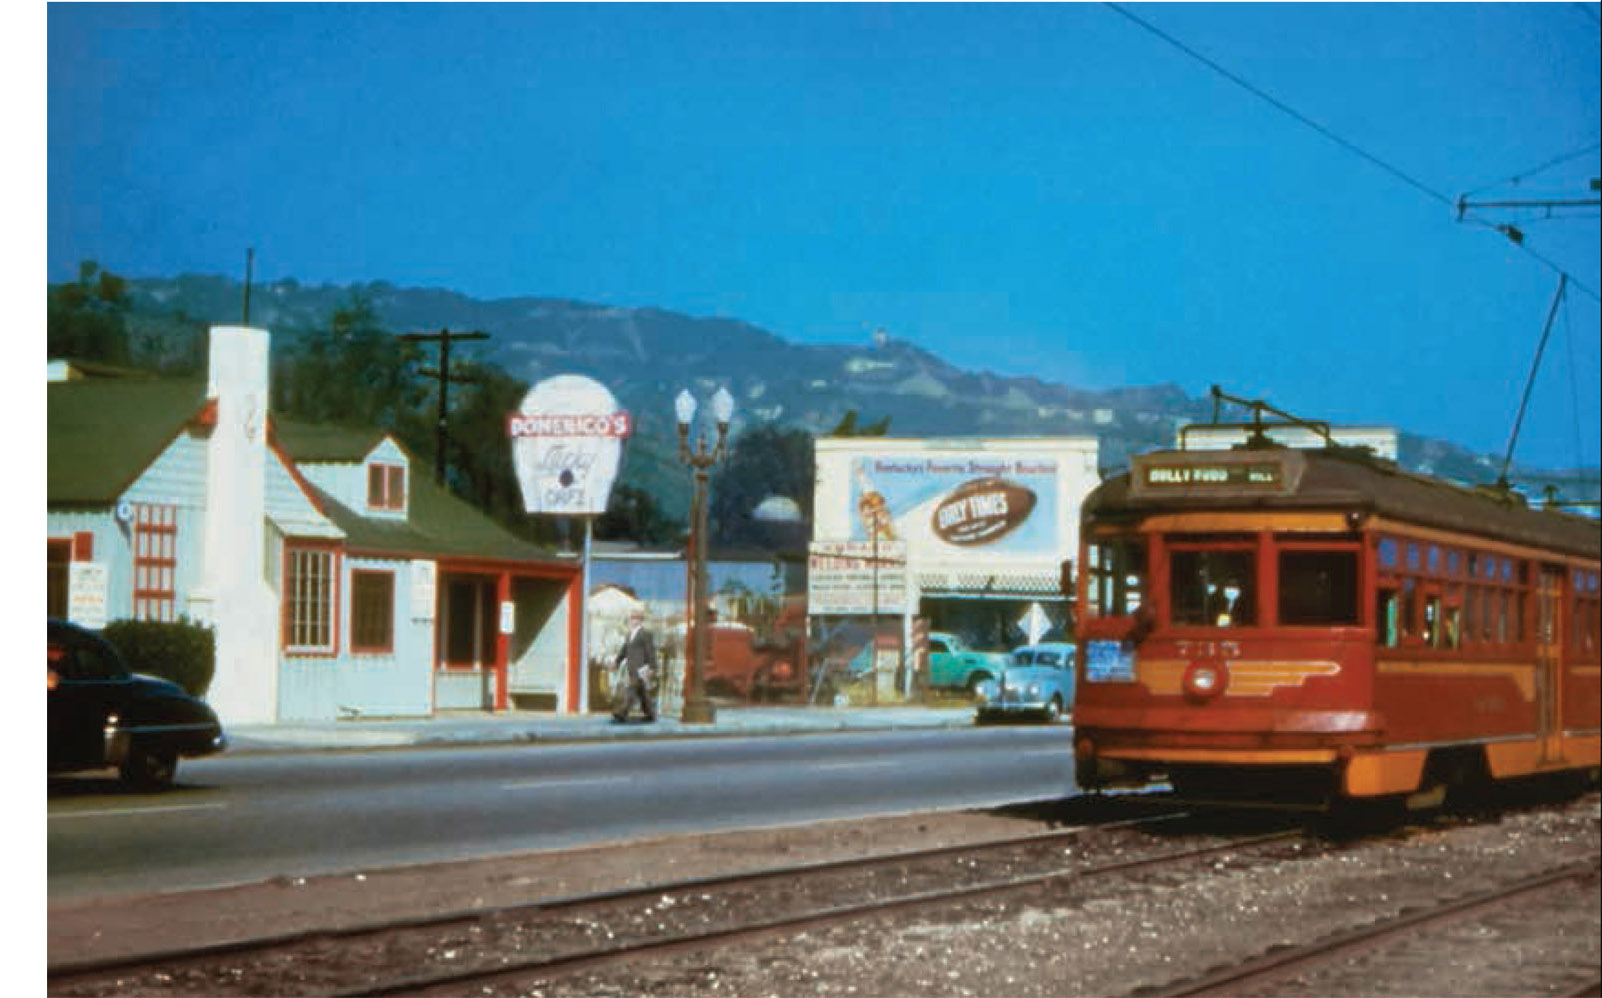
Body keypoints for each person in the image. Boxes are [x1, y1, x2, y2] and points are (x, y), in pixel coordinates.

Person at [612, 609, 658, 723]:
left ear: (641, 621)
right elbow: (624, 650)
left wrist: (652, 667)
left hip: (641, 668)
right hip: (631, 667)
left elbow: (650, 651)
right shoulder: (629, 635)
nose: (633, 621)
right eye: (632, 618)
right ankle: (650, 714)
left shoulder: (645, 634)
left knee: (631, 688)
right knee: (642, 692)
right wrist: (616, 662)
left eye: (636, 618)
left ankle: (622, 712)